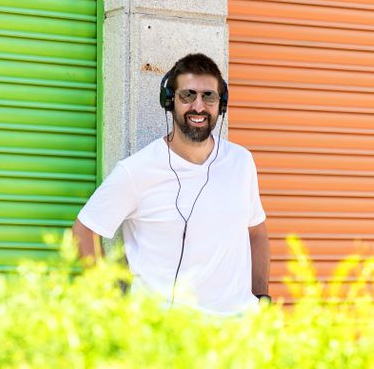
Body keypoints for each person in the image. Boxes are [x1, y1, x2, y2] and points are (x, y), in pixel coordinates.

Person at [71, 53, 270, 315]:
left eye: (208, 96)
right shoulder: (137, 171)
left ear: (221, 104)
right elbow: (84, 231)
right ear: (170, 101)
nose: (198, 106)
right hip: (168, 339)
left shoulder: (241, 162)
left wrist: (261, 299)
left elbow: (256, 232)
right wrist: (112, 310)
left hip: (237, 333)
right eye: (187, 95)